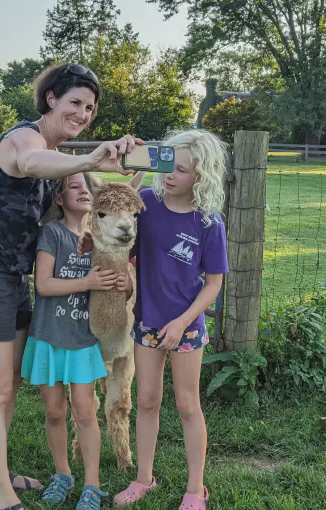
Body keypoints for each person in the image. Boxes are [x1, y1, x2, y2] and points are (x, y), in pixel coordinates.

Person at [0, 62, 141, 510]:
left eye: (90, 108)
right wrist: (89, 158)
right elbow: (32, 161)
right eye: (75, 102)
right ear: (50, 98)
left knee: (9, 383)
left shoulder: (58, 154)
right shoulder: (23, 138)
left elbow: (71, 192)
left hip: (11, 277)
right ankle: (1, 496)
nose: (83, 113)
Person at [112, 130, 229, 510]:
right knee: (146, 400)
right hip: (146, 322)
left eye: (180, 169)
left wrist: (181, 323)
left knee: (187, 405)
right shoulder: (145, 203)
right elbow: (118, 227)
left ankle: (196, 488)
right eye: (167, 165)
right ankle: (144, 477)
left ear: (201, 176)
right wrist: (138, 160)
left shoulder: (209, 223)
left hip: (186, 328)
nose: (170, 175)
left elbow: (214, 285)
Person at [21, 173, 130, 510]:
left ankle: (92, 485)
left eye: (87, 188)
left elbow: (122, 284)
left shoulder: (103, 236)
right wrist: (86, 282)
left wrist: (124, 286)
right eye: (74, 187)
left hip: (83, 340)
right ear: (59, 199)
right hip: (50, 338)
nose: (84, 191)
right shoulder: (52, 234)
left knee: (85, 413)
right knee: (55, 412)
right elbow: (43, 285)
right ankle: (63, 474)